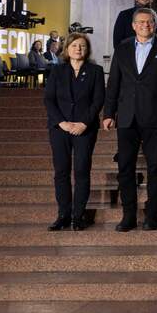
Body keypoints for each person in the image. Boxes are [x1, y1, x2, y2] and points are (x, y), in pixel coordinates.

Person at [103, 8, 157, 232]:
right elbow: (114, 82)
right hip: (126, 117)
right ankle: (129, 216)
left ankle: (152, 215)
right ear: (134, 25)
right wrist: (108, 113)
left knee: (155, 168)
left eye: (150, 22)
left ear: (155, 25)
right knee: (125, 168)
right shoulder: (123, 47)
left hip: (155, 117)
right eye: (141, 22)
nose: (145, 25)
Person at [43, 33, 104, 231]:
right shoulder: (57, 71)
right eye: (75, 45)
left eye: (82, 46)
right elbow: (49, 100)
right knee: (61, 171)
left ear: (87, 50)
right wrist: (62, 122)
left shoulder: (95, 71)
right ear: (67, 49)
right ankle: (63, 215)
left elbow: (98, 101)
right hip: (60, 128)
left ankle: (78, 216)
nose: (78, 49)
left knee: (81, 171)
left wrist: (84, 123)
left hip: (85, 129)